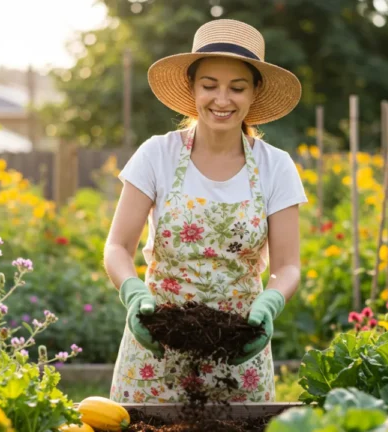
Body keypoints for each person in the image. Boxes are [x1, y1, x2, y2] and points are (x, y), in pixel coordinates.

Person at [103, 18, 307, 404]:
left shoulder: (276, 166)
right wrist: (133, 292)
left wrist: (272, 299)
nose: (222, 100)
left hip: (238, 347)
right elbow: (117, 246)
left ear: (254, 93)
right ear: (192, 89)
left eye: (237, 88)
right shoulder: (157, 154)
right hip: (156, 346)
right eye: (209, 86)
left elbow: (288, 264)